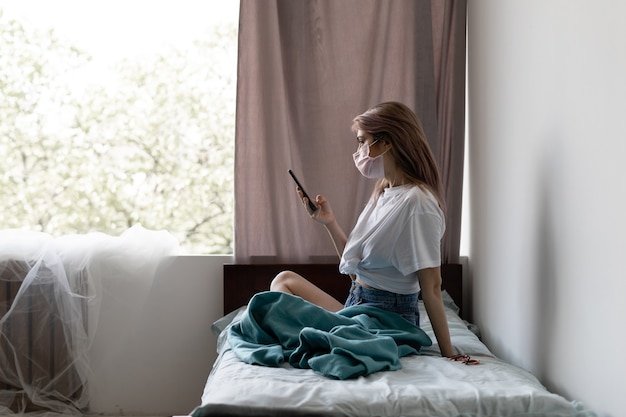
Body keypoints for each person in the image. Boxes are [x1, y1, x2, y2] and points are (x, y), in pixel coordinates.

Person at [270, 101, 454, 358]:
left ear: (387, 142)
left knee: (265, 311)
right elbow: (358, 271)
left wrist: (449, 352)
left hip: (386, 320)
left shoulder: (417, 203)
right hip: (358, 304)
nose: (358, 151)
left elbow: (432, 287)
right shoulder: (384, 191)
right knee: (284, 280)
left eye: (362, 141)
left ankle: (313, 337)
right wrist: (330, 223)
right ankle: (316, 335)